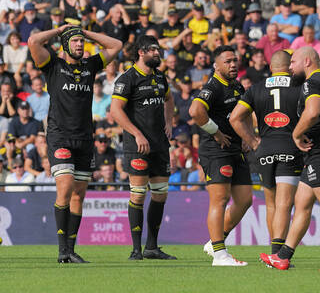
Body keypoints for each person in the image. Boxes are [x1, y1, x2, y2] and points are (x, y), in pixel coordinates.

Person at [28, 24, 122, 263]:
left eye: (82, 42)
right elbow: (34, 42)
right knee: (66, 187)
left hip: (84, 138)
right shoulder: (53, 66)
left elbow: (116, 46)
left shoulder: (90, 66)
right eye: (76, 41)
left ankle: (71, 249)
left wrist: (85, 32)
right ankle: (61, 251)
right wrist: (61, 29)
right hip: (60, 136)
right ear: (65, 45)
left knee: (79, 195)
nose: (80, 44)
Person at [230, 50, 303, 256]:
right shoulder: (300, 86)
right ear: (289, 67)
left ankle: (273, 253)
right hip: (291, 147)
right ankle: (278, 254)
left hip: (265, 150)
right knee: (284, 204)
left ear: (271, 67)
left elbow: (235, 118)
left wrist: (252, 142)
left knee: (271, 203)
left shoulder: (256, 88)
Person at [110, 35, 176, 260]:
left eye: (158, 50)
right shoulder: (127, 78)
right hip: (137, 146)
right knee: (138, 195)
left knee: (160, 196)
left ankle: (152, 247)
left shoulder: (160, 77)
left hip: (159, 144)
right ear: (141, 52)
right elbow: (115, 110)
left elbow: (169, 99)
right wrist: (137, 134)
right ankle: (136, 249)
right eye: (153, 50)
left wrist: (169, 122)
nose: (158, 53)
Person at [189, 45, 252, 266]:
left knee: (245, 200)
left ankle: (214, 241)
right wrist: (215, 132)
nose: (233, 64)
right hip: (216, 151)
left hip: (236, 149)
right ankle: (219, 254)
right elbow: (195, 111)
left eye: (235, 60)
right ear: (216, 66)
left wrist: (247, 135)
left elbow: (245, 114)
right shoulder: (212, 87)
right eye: (228, 61)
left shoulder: (237, 86)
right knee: (220, 199)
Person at [259, 47, 320, 270]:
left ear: (307, 61)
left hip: (317, 151)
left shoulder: (311, 83)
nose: (290, 67)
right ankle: (282, 256)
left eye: (293, 62)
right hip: (313, 153)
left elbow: (313, 112)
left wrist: (296, 133)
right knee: (302, 204)